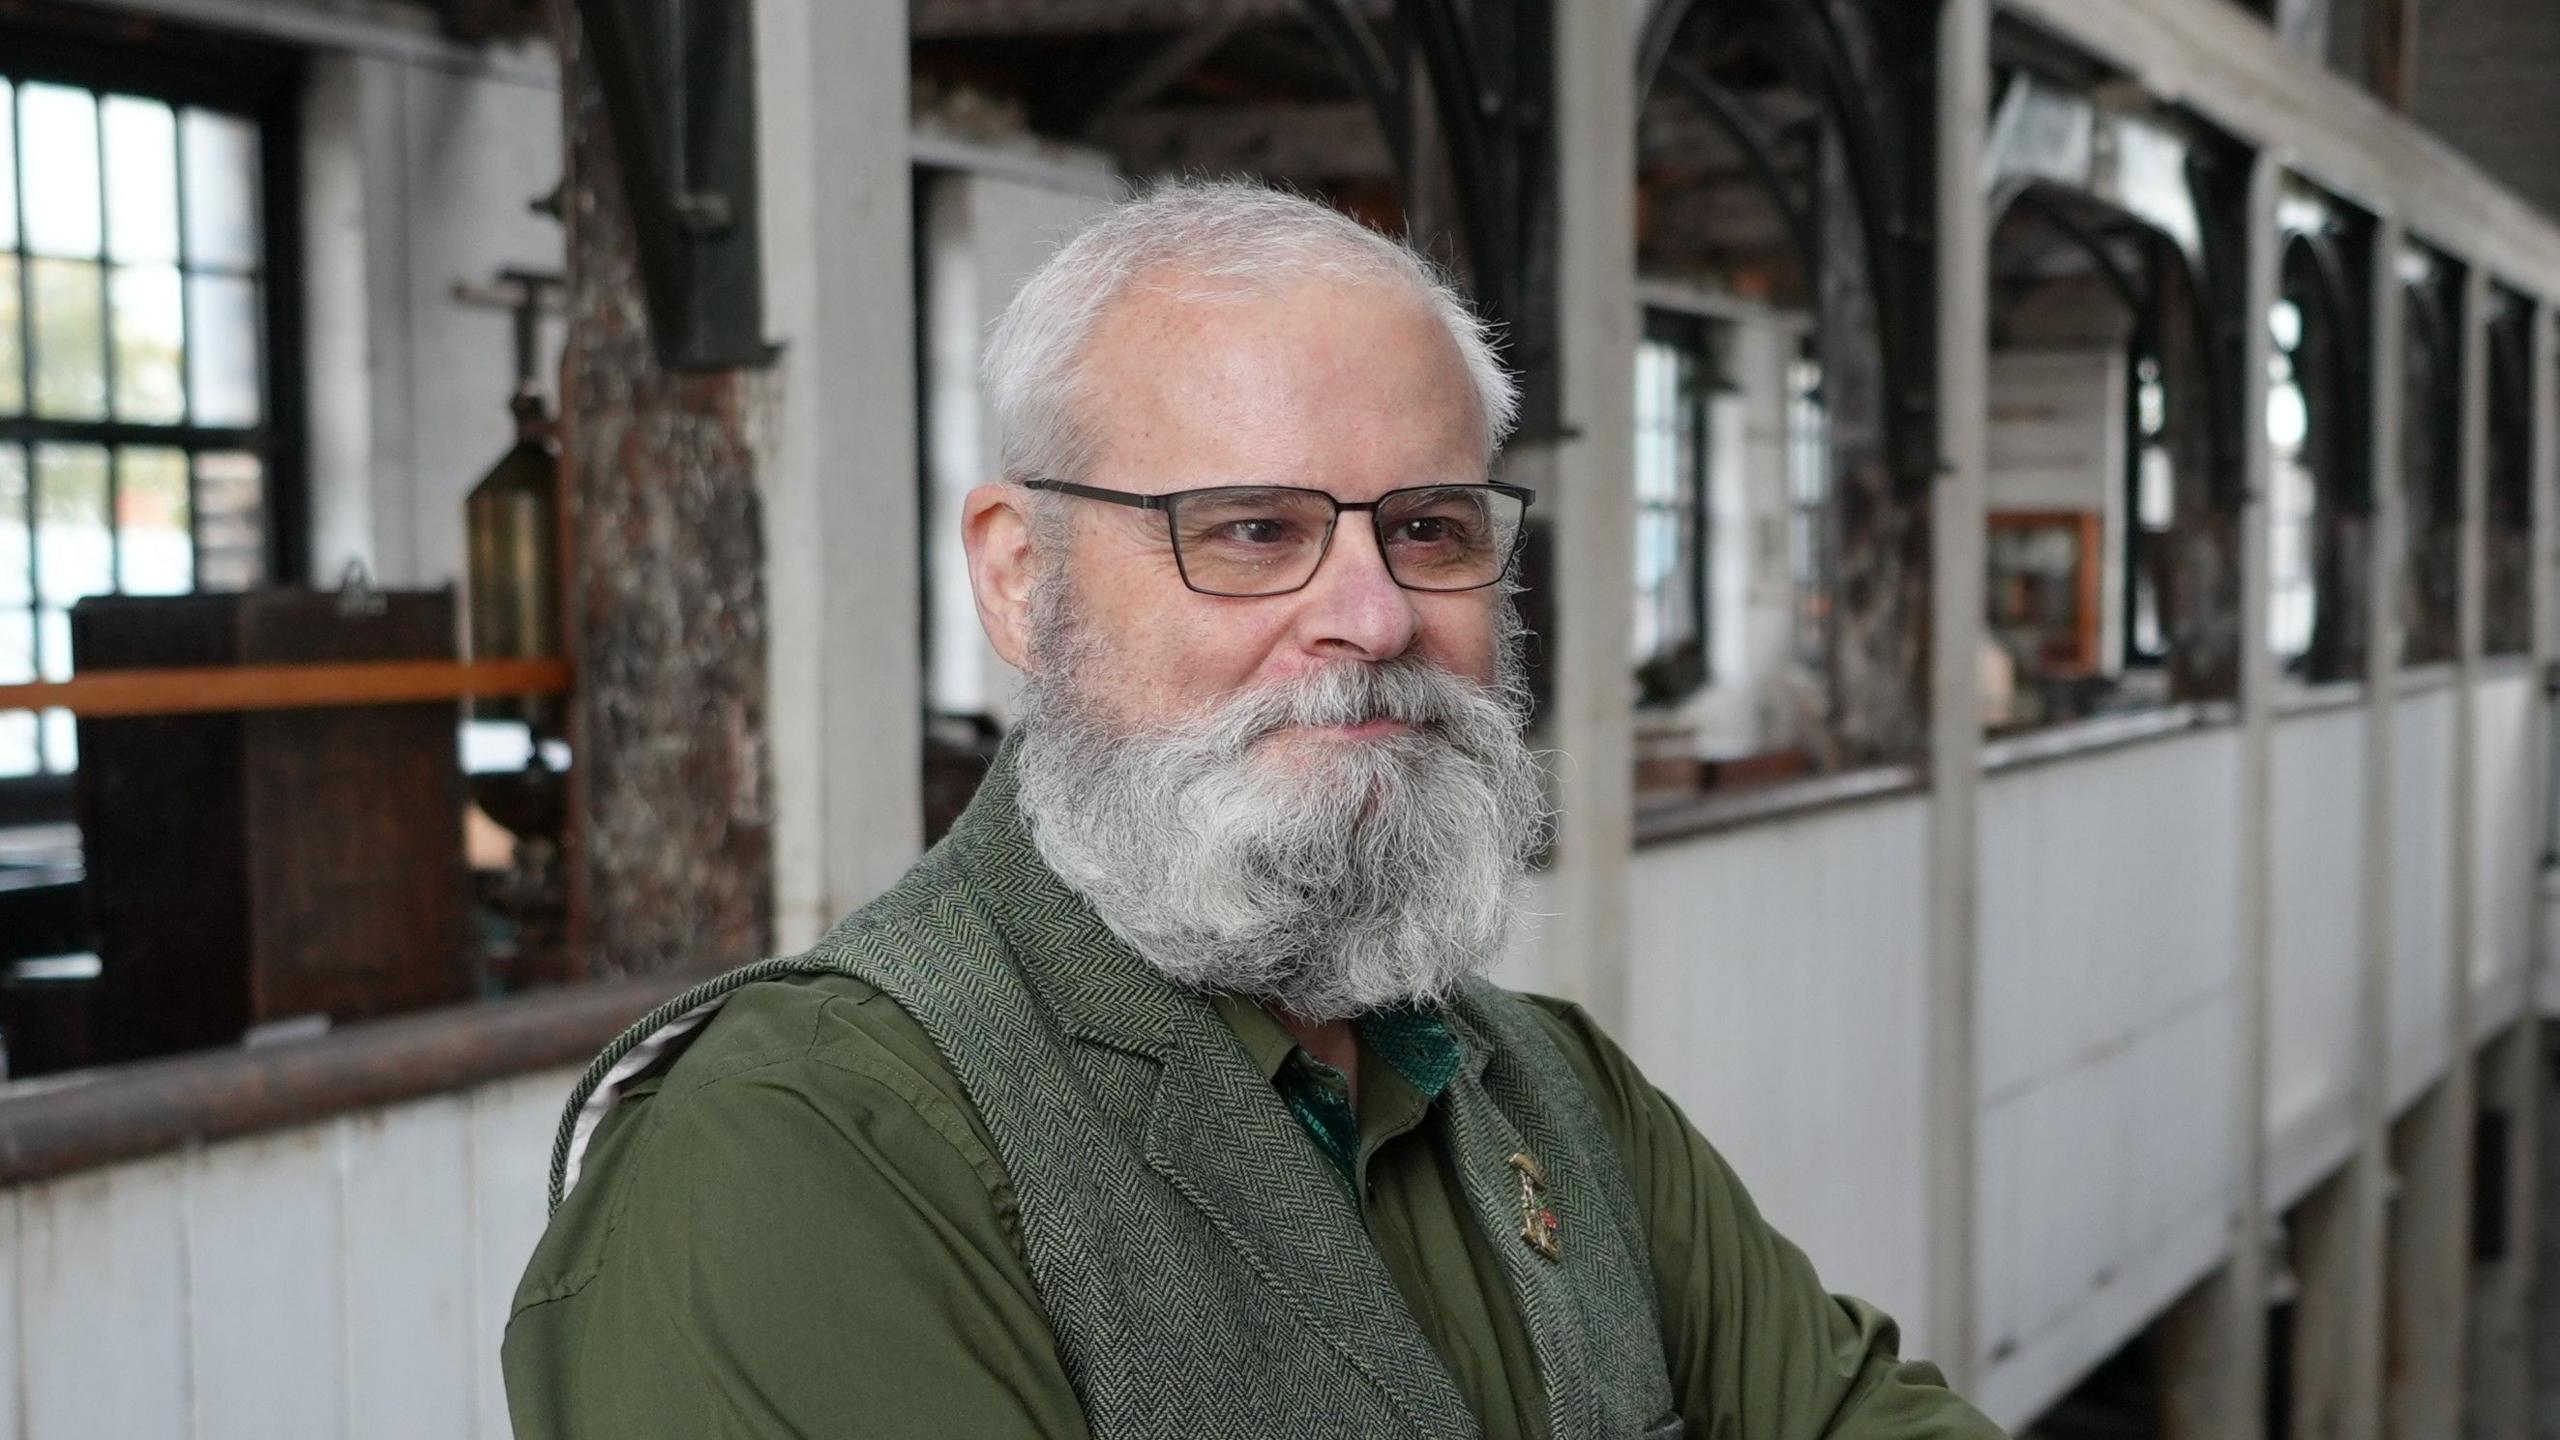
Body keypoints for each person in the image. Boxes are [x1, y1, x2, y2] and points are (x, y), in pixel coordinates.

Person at [502, 180, 2005, 1440]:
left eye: (1428, 528)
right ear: (1025, 579)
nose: (1371, 613)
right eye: (1250, 530)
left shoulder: (1547, 1090)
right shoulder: (803, 1152)